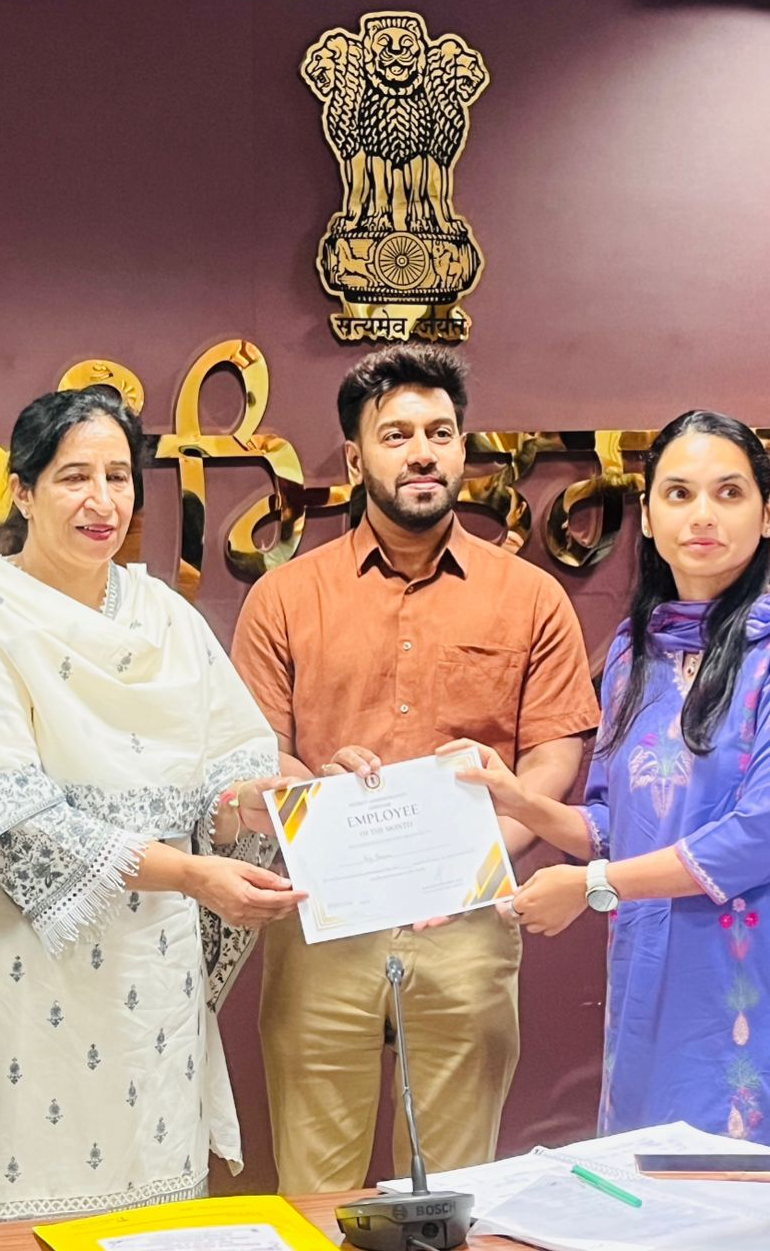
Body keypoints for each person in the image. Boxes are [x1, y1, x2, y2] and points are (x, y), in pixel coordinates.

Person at [0, 387, 303, 1230]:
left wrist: (264, 801)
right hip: (16, 982)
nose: (102, 500)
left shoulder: (166, 618)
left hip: (150, 987)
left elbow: (227, 777)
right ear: (22, 492)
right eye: (73, 477)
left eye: (118, 477)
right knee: (18, 1212)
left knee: (149, 1222)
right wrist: (191, 873)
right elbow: (14, 824)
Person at [466, 409, 770, 1145]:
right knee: (660, 1191)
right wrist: (524, 802)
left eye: (728, 493)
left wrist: (594, 887)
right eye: (678, 493)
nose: (702, 514)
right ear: (646, 517)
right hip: (657, 1004)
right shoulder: (634, 653)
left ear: (768, 516)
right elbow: (615, 823)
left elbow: (761, 837)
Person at [231, 344, 599, 1193]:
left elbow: (553, 752)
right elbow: (255, 750)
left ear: (464, 449)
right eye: (396, 435)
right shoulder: (284, 596)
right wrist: (313, 789)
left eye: (440, 432)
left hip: (466, 919)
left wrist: (483, 853)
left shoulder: (530, 597)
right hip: (325, 918)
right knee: (315, 1190)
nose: (422, 452)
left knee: (452, 1192)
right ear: (355, 458)